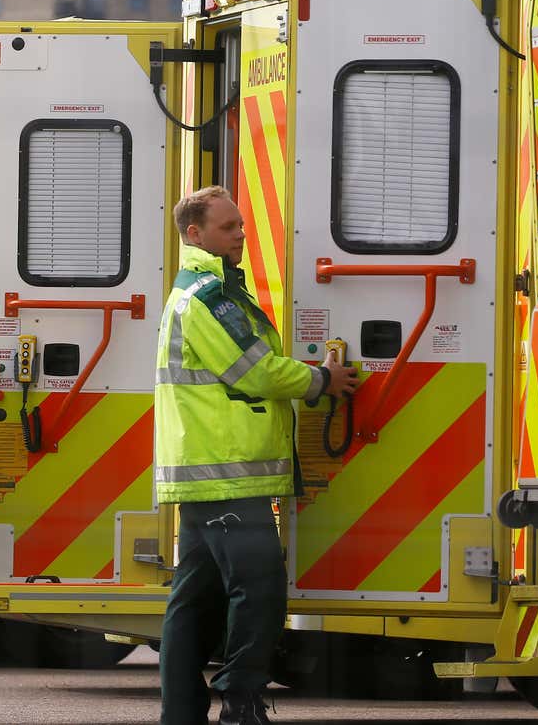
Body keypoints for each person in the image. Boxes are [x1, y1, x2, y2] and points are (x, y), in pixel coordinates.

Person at [154, 186, 359, 725]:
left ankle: (181, 714)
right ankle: (240, 701)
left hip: (211, 473)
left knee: (193, 602)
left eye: (241, 226)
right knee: (261, 588)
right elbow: (257, 371)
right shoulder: (208, 297)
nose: (240, 235)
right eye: (228, 228)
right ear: (195, 234)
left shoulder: (207, 291)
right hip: (227, 475)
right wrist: (321, 379)